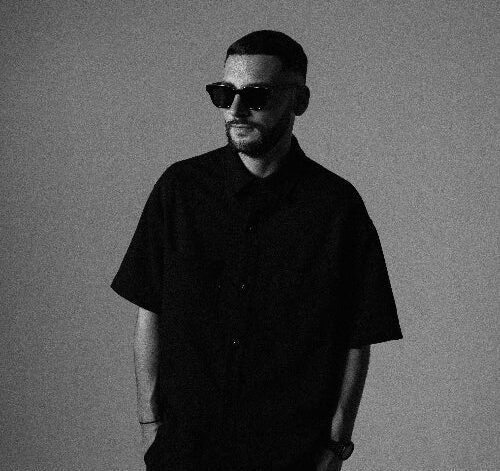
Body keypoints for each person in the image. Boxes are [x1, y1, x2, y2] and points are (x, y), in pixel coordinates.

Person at [111, 30, 402, 471]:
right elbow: (150, 311)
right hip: (184, 453)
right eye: (223, 93)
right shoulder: (180, 191)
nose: (235, 109)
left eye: (256, 95)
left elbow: (357, 337)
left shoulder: (336, 208)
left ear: (299, 101)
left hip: (292, 457)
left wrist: (336, 445)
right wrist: (151, 425)